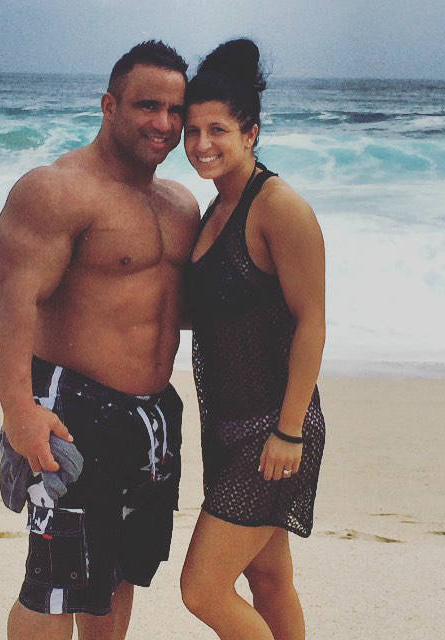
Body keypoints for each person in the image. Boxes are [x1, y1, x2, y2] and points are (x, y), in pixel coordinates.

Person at [0, 41, 199, 640]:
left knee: (117, 578)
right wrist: (18, 410)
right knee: (54, 583)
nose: (164, 123)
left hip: (154, 417)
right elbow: (8, 302)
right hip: (71, 411)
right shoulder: (56, 191)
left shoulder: (180, 203)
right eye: (146, 105)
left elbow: (176, 311)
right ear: (109, 105)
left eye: (175, 110)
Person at [180, 39, 326, 640]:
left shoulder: (278, 207)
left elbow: (313, 321)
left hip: (274, 430)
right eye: (191, 130)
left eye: (218, 129)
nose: (201, 144)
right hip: (227, 423)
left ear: (252, 133)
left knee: (203, 588)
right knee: (268, 582)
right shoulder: (214, 209)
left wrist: (288, 429)